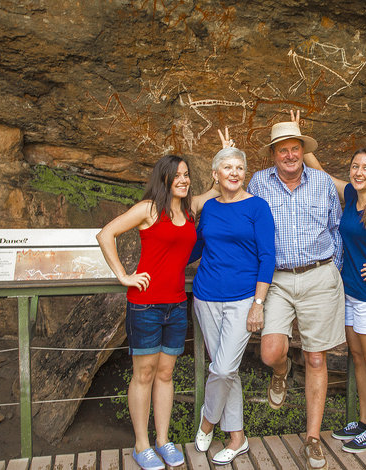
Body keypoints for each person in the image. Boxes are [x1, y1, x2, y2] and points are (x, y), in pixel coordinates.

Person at [97, 154, 215, 470]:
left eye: (186, 174)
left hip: (176, 305)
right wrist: (123, 275)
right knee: (144, 374)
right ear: (164, 178)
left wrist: (224, 156)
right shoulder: (149, 209)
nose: (183, 180)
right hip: (145, 304)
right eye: (177, 175)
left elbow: (218, 188)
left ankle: (163, 440)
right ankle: (142, 445)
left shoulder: (189, 210)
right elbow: (105, 234)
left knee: (165, 374)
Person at [247, 116, 345, 470]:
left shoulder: (322, 182)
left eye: (294, 149)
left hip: (319, 276)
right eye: (282, 150)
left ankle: (313, 438)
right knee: (270, 350)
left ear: (303, 151)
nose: (289, 155)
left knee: (317, 359)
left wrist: (333, 270)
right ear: (273, 155)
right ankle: (281, 370)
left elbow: (336, 227)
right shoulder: (258, 183)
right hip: (277, 278)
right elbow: (248, 227)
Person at [303, 143, 366, 453]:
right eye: (355, 166)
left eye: (365, 168)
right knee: (358, 358)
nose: (359, 173)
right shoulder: (349, 194)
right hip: (348, 293)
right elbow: (320, 172)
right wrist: (301, 140)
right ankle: (363, 421)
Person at [191, 131, 276, 465]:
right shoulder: (209, 208)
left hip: (243, 298)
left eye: (239, 167)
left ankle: (207, 421)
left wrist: (258, 303)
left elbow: (267, 257)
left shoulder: (257, 207)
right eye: (227, 167)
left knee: (223, 368)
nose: (234, 172)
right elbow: (196, 247)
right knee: (227, 371)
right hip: (206, 296)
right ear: (215, 175)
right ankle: (237, 438)